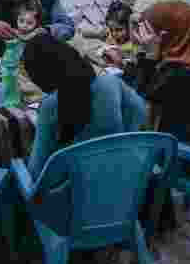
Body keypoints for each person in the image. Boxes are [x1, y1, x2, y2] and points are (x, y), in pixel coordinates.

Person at [131, 1, 190, 231]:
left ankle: (155, 222)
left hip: (189, 159)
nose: (143, 37)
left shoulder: (182, 72)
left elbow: (144, 93)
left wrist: (148, 54)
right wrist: (144, 59)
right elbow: (156, 84)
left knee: (122, 145)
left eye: (149, 32)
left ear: (165, 34)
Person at [23, 33, 148, 179]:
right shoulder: (110, 83)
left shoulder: (50, 106)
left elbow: (36, 170)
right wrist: (119, 142)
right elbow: (140, 112)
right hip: (125, 183)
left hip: (74, 195)